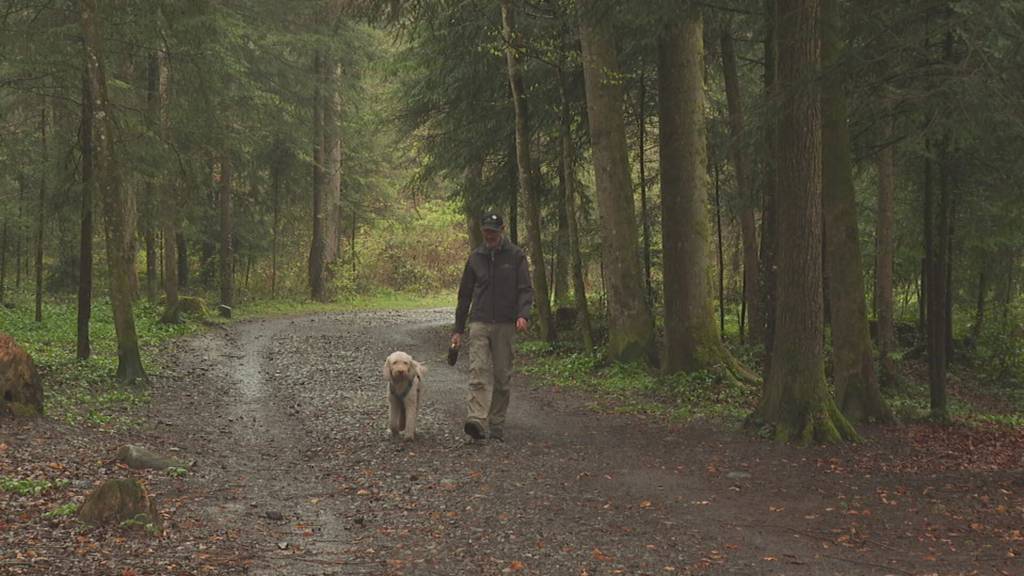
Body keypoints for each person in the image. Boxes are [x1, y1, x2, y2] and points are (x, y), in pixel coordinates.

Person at [451, 212, 533, 441]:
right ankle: (476, 420)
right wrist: (458, 329)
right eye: (486, 231)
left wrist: (523, 314)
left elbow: (525, 289)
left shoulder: (516, 256)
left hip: (506, 323)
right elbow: (464, 295)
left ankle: (496, 425)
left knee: (502, 377)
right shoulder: (475, 257)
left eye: (493, 231)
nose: (490, 235)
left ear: (502, 230)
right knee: (477, 371)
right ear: (482, 231)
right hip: (479, 321)